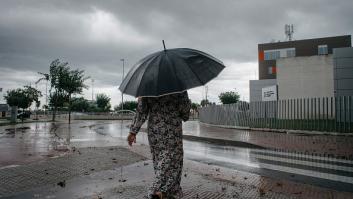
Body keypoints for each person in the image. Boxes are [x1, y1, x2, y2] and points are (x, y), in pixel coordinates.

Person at [127, 91, 191, 199]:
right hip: (172, 130)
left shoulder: (148, 87)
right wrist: (187, 103)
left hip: (154, 131)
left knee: (160, 161)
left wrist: (133, 131)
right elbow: (185, 115)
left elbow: (141, 112)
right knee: (173, 162)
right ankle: (157, 190)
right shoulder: (179, 87)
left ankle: (165, 192)